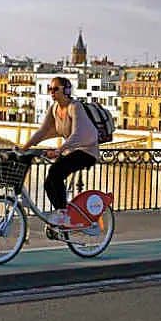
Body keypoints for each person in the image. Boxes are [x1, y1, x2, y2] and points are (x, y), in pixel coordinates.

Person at [20, 76, 99, 226]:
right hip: (72, 151)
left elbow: (77, 134)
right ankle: (62, 215)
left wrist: (59, 150)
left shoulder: (75, 107)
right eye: (50, 89)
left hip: (87, 152)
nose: (52, 92)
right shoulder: (54, 109)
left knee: (56, 171)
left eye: (56, 89)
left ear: (66, 90)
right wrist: (24, 148)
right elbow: (42, 131)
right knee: (49, 182)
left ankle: (63, 215)